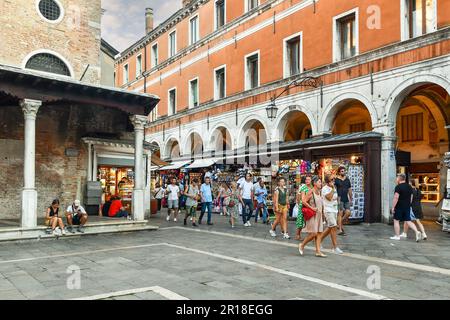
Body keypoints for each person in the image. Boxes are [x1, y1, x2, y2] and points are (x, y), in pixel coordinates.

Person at [298, 177, 326, 258]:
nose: (321, 183)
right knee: (314, 233)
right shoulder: (311, 191)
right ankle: (302, 245)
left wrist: (323, 214)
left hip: (319, 215)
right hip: (312, 215)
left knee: (319, 233)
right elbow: (303, 201)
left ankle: (318, 251)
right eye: (319, 182)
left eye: (321, 182)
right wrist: (312, 208)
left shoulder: (319, 192)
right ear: (314, 183)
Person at [390, 174, 422, 242]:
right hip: (407, 206)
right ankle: (417, 231)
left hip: (399, 206)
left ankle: (397, 236)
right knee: (408, 221)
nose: (396, 179)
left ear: (399, 179)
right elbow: (411, 197)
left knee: (396, 220)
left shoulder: (398, 187)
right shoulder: (409, 186)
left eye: (397, 178)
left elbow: (396, 197)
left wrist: (393, 207)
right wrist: (409, 204)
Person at [320, 175, 344, 254]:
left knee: (330, 227)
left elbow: (336, 198)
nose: (333, 180)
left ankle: (318, 240)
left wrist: (339, 207)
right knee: (333, 226)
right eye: (332, 179)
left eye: (334, 179)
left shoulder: (334, 188)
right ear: (327, 181)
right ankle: (335, 247)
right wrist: (333, 189)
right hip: (328, 210)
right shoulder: (324, 189)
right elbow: (329, 198)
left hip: (334, 210)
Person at [335, 166, 352, 236]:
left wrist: (351, 198)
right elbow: (334, 189)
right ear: (339, 172)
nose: (343, 172)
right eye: (342, 171)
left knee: (348, 212)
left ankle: (339, 223)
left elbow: (350, 190)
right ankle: (340, 230)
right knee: (340, 213)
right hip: (339, 198)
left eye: (344, 171)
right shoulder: (336, 180)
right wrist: (335, 198)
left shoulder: (347, 180)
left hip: (346, 198)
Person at [295, 176, 311, 241]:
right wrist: (299, 204)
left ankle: (310, 235)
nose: (307, 181)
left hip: (309, 205)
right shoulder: (303, 187)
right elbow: (299, 197)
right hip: (303, 205)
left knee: (309, 220)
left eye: (308, 179)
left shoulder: (311, 187)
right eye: (306, 179)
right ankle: (298, 235)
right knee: (300, 220)